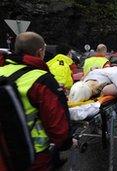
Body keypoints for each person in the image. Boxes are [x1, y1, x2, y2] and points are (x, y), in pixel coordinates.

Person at [0, 32, 73, 170]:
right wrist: (67, 143)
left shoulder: (2, 71)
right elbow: (58, 126)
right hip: (33, 155)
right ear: (40, 52)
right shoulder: (42, 79)